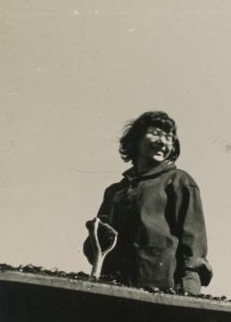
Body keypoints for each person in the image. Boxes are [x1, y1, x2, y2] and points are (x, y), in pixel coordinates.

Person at [83, 111, 212, 295]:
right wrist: (96, 237)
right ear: (136, 139)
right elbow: (95, 251)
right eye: (156, 133)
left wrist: (189, 290)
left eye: (169, 137)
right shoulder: (114, 192)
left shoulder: (179, 181)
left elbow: (193, 245)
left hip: (162, 290)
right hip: (113, 289)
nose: (163, 142)